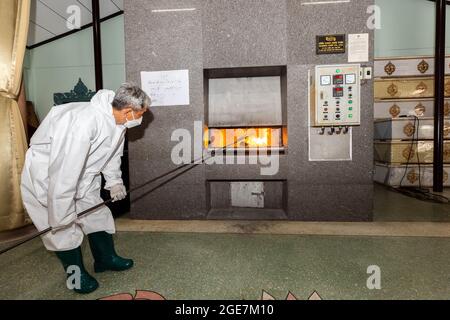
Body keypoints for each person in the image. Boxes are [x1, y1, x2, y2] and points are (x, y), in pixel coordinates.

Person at [20, 83, 151, 294]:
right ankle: (75, 276)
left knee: (97, 214)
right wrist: (61, 211)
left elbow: (111, 155)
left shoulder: (117, 122)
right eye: (141, 114)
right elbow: (64, 172)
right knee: (62, 230)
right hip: (49, 178)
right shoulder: (82, 123)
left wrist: (114, 182)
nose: (141, 119)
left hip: (84, 175)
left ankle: (105, 259)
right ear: (128, 111)